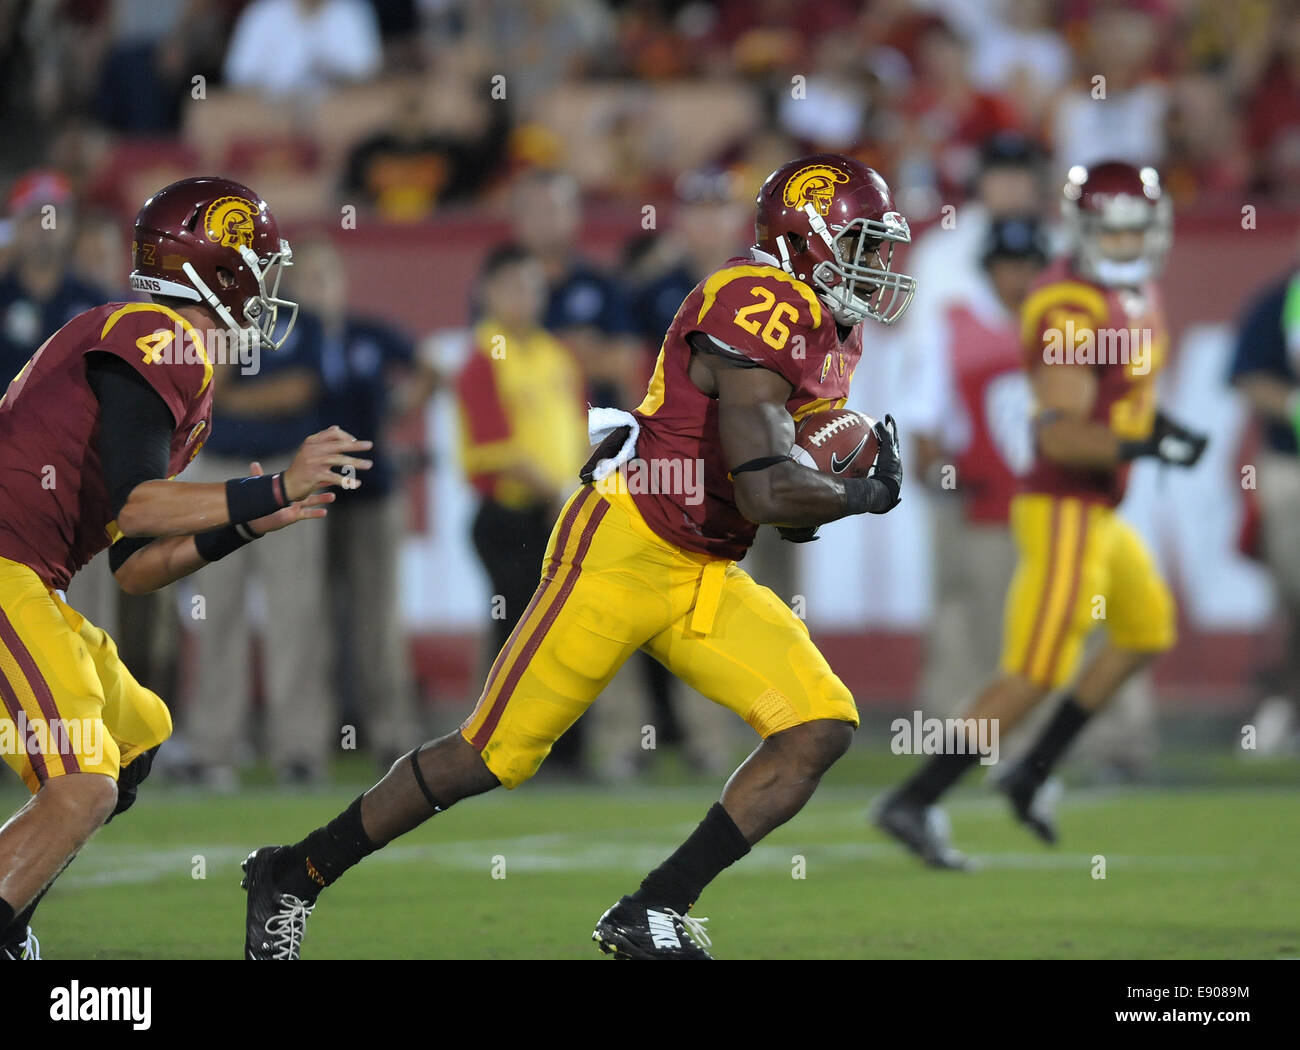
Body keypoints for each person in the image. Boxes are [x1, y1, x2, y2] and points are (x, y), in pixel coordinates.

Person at [240, 154, 911, 960]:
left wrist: (837, 483)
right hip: (623, 550)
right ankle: (293, 872)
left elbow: (786, 516)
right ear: (807, 239)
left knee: (818, 725)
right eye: (862, 244)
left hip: (705, 568)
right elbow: (768, 491)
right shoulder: (756, 299)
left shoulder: (834, 329)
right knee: (487, 755)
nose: (875, 266)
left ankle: (652, 911)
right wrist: (864, 495)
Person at [0, 176, 370, 959]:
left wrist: (247, 522)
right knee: (82, 785)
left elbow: (135, 567)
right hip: (5, 567)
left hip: (30, 575)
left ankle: (12, 916)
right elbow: (138, 506)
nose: (268, 289)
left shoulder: (169, 360)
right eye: (258, 268)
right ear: (217, 271)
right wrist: (272, 484)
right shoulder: (159, 336)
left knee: (136, 734)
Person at [875, 162, 1208, 869]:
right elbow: (1058, 435)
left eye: (1134, 232)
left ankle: (1031, 769)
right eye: (1109, 234)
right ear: (1084, 233)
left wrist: (1150, 430)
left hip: (1099, 506)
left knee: (1145, 627)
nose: (1123, 246)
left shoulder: (1131, 293)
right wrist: (1150, 441)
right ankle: (915, 798)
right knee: (1033, 670)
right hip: (1060, 504)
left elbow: (1115, 399)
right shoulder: (1068, 305)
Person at [293, 236, 437, 768]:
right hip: (306, 495)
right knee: (309, 617)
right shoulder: (283, 340)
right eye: (308, 279)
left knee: (378, 617)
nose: (318, 289)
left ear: (341, 284)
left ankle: (392, 734)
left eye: (326, 277)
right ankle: (307, 740)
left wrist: (398, 407)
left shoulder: (367, 334)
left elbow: (429, 367)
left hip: (371, 491)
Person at [454, 243, 589, 766]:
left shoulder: (556, 355)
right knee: (518, 631)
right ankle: (499, 743)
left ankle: (561, 752)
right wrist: (559, 488)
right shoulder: (483, 355)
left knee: (561, 632)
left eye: (533, 286)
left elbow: (579, 434)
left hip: (554, 513)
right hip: (511, 516)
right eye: (513, 285)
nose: (526, 297)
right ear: (488, 293)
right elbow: (498, 450)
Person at [1227, 231, 1300, 753]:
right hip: (1290, 467)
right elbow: (1247, 374)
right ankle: (1281, 708)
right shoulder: (1282, 299)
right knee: (1295, 597)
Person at [0, 170, 105, 389]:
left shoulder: (98, 304)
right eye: (33, 217)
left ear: (71, 226)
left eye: (54, 216)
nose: (44, 228)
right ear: (16, 225)